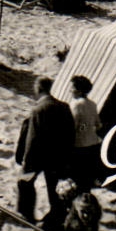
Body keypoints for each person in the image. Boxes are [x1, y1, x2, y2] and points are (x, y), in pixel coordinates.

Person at [15, 77, 73, 223]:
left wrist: (26, 160)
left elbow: (32, 138)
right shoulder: (64, 106)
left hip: (39, 155)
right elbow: (70, 133)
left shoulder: (38, 109)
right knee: (54, 188)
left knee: (25, 183)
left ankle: (27, 215)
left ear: (38, 89)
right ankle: (57, 216)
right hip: (58, 155)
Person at [68, 75, 102, 188]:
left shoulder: (76, 105)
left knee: (79, 179)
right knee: (88, 178)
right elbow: (98, 125)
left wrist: (82, 129)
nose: (70, 90)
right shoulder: (92, 104)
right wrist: (87, 128)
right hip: (93, 144)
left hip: (79, 145)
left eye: (72, 87)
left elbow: (73, 126)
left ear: (79, 90)